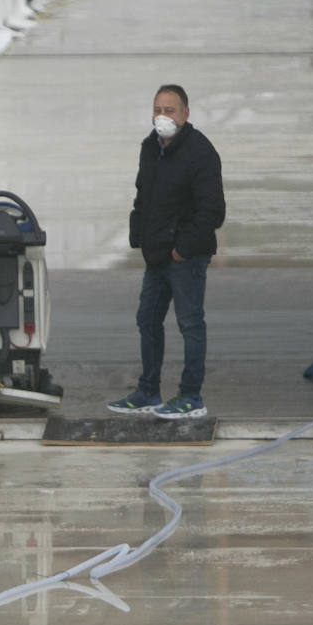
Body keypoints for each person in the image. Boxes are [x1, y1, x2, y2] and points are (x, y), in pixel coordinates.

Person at [107, 84, 225, 420]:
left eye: (170, 110)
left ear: (186, 114)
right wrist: (139, 236)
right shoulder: (150, 148)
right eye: (158, 109)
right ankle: (148, 391)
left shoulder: (200, 153)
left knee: (190, 324)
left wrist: (182, 249)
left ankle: (191, 397)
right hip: (156, 255)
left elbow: (212, 211)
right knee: (147, 319)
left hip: (185, 257)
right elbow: (142, 195)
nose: (163, 116)